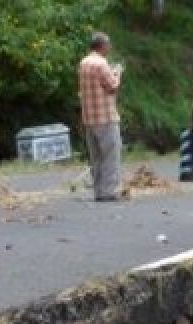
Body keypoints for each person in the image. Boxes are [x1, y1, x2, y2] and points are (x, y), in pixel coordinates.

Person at [78, 32, 123, 202]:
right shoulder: (101, 64)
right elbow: (112, 86)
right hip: (106, 117)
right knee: (111, 155)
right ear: (102, 46)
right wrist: (117, 73)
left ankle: (98, 191)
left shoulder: (83, 63)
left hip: (89, 118)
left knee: (96, 157)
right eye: (108, 44)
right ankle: (109, 192)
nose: (110, 47)